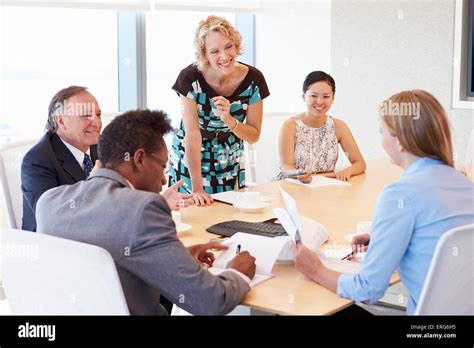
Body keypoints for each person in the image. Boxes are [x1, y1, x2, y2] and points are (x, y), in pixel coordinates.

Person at [35, 109, 257, 315]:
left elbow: (107, 262)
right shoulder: (145, 208)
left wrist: (176, 259)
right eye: (162, 166)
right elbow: (211, 301)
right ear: (139, 159)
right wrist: (237, 273)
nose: (163, 180)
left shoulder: (49, 202)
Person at [293, 90, 474, 314]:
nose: (381, 140)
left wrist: (315, 270)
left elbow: (368, 291)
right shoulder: (465, 184)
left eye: (382, 132)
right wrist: (383, 237)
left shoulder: (400, 194)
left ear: (400, 140)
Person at [169, 15, 270, 206]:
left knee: (227, 210)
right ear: (205, 55)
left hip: (229, 153)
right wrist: (197, 188)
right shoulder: (190, 78)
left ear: (236, 45)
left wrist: (229, 120)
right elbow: (193, 134)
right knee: (192, 210)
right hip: (191, 154)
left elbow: (253, 135)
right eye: (214, 51)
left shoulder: (254, 80)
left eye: (228, 47)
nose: (224, 56)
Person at [21, 86, 101, 231]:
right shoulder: (37, 160)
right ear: (62, 122)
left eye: (98, 115)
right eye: (86, 116)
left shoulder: (101, 146)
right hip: (54, 244)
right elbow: (51, 217)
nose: (97, 123)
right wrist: (94, 183)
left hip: (94, 232)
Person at [277, 71, 366, 183]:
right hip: (294, 186)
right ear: (304, 96)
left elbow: (360, 163)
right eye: (313, 96)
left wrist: (348, 171)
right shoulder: (290, 125)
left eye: (326, 96)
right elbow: (285, 167)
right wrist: (299, 174)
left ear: (333, 98)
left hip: (326, 186)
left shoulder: (339, 126)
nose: (319, 102)